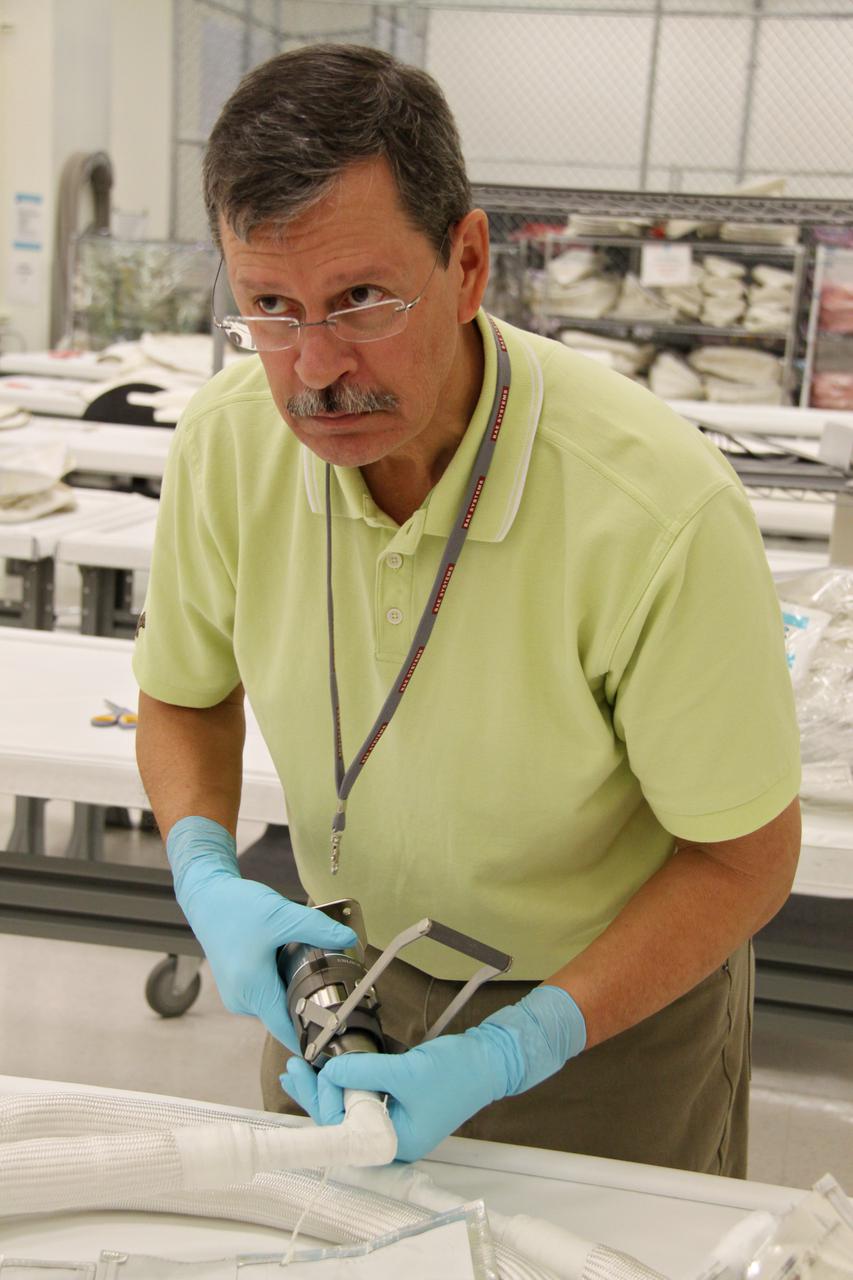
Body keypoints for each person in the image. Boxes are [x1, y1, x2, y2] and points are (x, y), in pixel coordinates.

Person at [133, 42, 801, 1177]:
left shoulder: (653, 507)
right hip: (336, 991)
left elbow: (744, 857)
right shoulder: (227, 443)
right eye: (271, 310)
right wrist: (204, 871)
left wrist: (516, 1044)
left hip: (604, 1023)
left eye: (360, 300)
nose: (315, 368)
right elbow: (184, 697)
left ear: (470, 262)